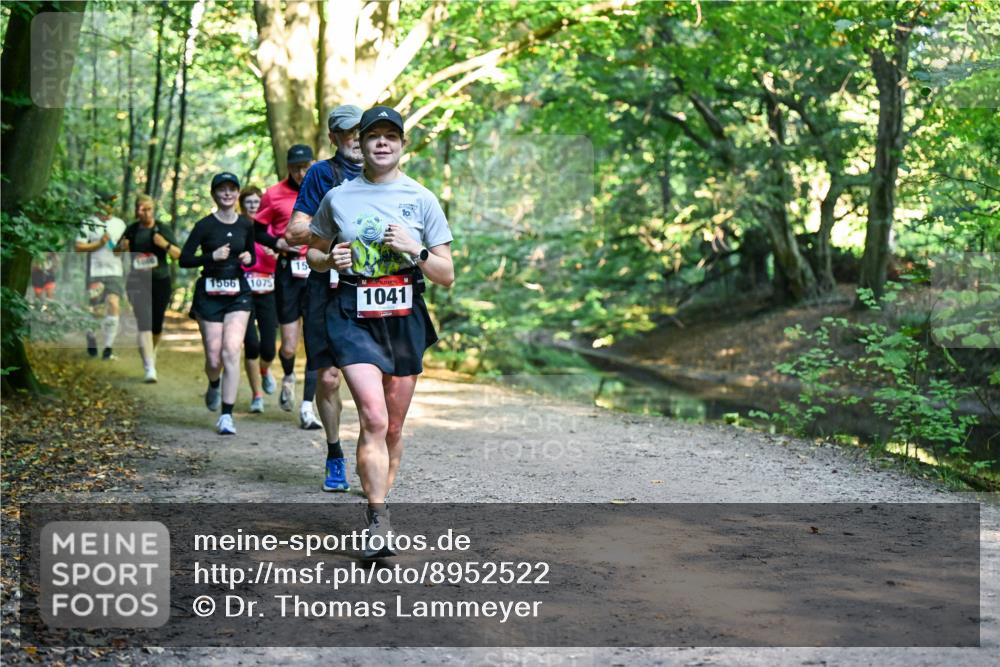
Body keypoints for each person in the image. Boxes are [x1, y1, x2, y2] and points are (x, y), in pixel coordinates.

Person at [307, 105, 454, 556]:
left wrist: (417, 249)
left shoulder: (422, 198)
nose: (382, 143)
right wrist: (330, 259)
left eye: (391, 136)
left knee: (392, 426)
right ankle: (376, 516)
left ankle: (380, 501)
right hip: (353, 313)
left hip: (405, 315)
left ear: (402, 144)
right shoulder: (339, 197)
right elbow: (312, 252)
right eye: (374, 137)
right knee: (371, 417)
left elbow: (446, 274)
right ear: (360, 144)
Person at [285, 103, 363, 493]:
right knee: (329, 379)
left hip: (372, 290)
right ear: (333, 138)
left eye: (358, 131)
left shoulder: (384, 171)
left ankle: (372, 455)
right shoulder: (321, 174)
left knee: (374, 381)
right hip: (325, 285)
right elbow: (293, 231)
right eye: (345, 132)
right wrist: (334, 220)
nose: (353, 139)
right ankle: (334, 452)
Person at [179, 172, 255, 435]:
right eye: (221, 189)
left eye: (232, 189)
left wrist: (247, 258)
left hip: (238, 294)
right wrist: (210, 255)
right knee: (214, 358)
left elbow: (253, 256)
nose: (227, 194)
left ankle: (226, 415)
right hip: (209, 294)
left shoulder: (246, 224)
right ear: (214, 194)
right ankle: (213, 383)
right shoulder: (204, 226)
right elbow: (184, 259)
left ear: (237, 193)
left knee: (231, 351)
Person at [254, 144, 323, 430]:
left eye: (305, 166)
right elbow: (257, 229)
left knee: (315, 341)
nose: (301, 172)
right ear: (288, 168)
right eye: (295, 168)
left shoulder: (324, 187)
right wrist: (276, 243)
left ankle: (308, 407)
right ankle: (288, 376)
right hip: (287, 273)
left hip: (318, 270)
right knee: (290, 345)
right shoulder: (273, 194)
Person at [116, 195, 181, 382]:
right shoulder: (132, 229)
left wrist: (165, 244)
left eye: (145, 209)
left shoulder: (162, 229)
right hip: (137, 281)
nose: (141, 212)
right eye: (139, 209)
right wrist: (122, 246)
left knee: (156, 325)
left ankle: (150, 354)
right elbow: (116, 253)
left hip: (160, 281)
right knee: (143, 321)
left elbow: (179, 255)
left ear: (152, 210)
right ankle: (149, 367)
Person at [238, 186, 278, 412]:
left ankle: (265, 369)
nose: (253, 206)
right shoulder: (238, 226)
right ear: (242, 204)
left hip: (268, 290)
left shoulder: (269, 228)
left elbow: (283, 252)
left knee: (269, 348)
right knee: (251, 345)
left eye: (256, 202)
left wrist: (275, 252)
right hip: (244, 292)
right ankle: (257, 396)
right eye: (249, 202)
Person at [76, 191, 127, 359]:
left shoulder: (120, 224)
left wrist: (122, 247)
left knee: (113, 303)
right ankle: (91, 336)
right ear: (99, 204)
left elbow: (120, 252)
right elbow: (79, 247)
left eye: (112, 203)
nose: (109, 206)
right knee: (94, 309)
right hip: (95, 272)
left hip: (115, 272)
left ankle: (108, 347)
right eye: (106, 202)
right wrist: (99, 243)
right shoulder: (89, 223)